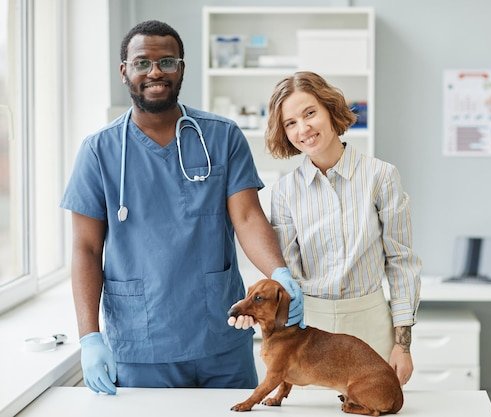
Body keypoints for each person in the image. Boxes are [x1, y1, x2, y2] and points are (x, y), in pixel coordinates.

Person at [60, 20, 302, 395]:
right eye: (142, 63)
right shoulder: (99, 152)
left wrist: (279, 272)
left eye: (167, 61)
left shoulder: (221, 137)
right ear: (124, 71)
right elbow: (86, 249)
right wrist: (89, 337)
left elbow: (248, 217)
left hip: (222, 335)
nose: (155, 71)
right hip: (142, 344)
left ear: (182, 68)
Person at [265, 71, 422, 385]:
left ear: (330, 110)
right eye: (290, 123)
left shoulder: (381, 176)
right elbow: (288, 273)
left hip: (371, 325)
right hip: (310, 332)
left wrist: (402, 345)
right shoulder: (284, 191)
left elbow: (401, 262)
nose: (303, 128)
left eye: (310, 113)